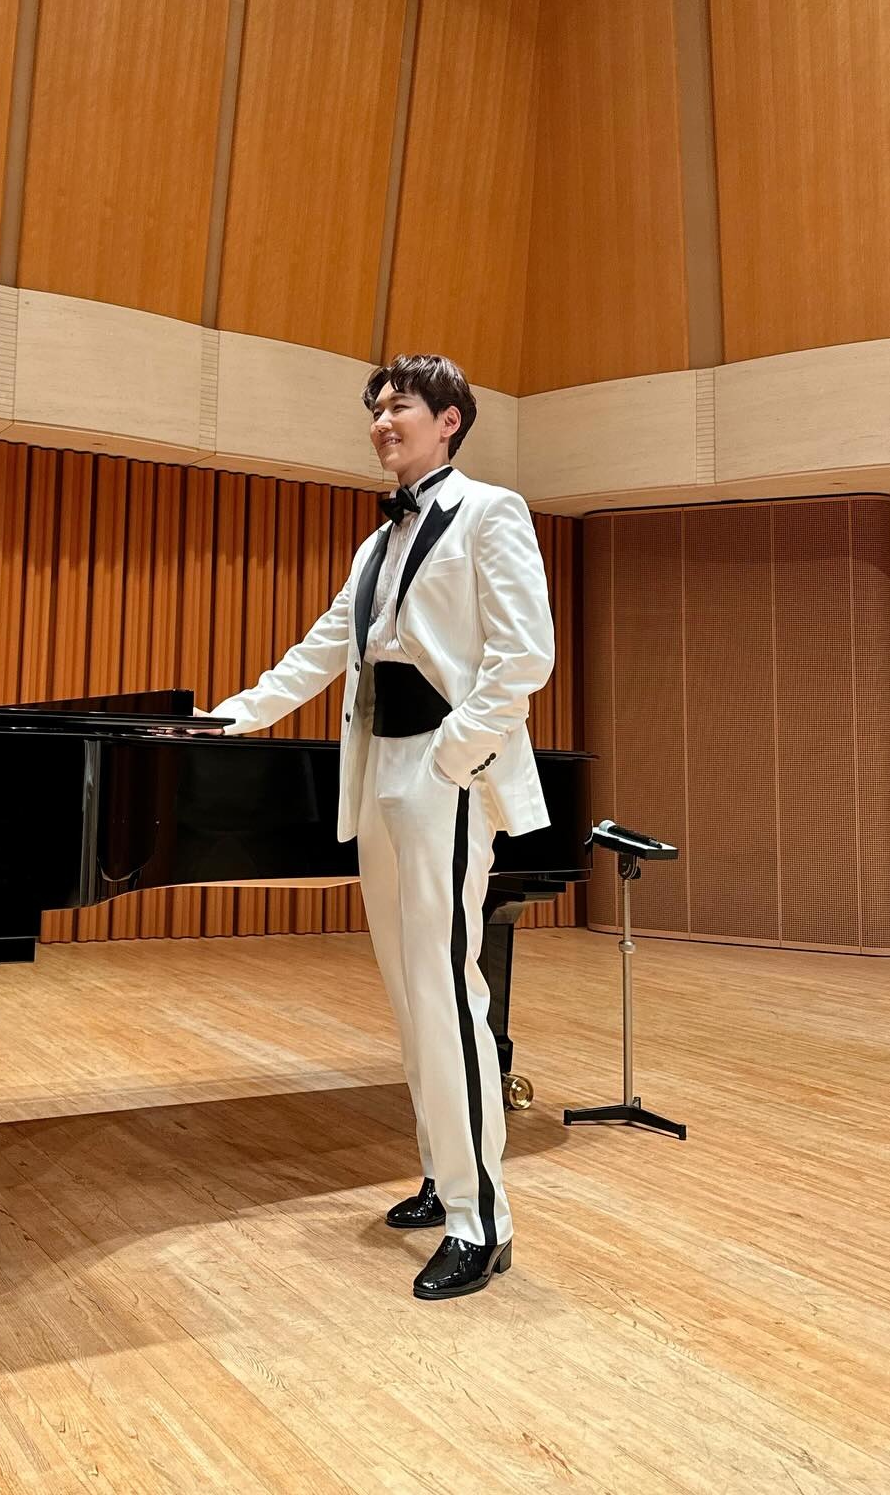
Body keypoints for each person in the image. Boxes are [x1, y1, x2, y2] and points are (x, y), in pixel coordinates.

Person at [205, 354, 555, 1298]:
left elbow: (526, 655)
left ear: (449, 420)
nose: (382, 422)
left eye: (400, 405)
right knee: (409, 997)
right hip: (378, 776)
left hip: (442, 772)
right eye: (375, 409)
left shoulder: (492, 512)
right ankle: (443, 1178)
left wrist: (453, 756)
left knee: (446, 992)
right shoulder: (375, 546)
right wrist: (226, 720)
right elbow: (320, 651)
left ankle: (483, 1220)